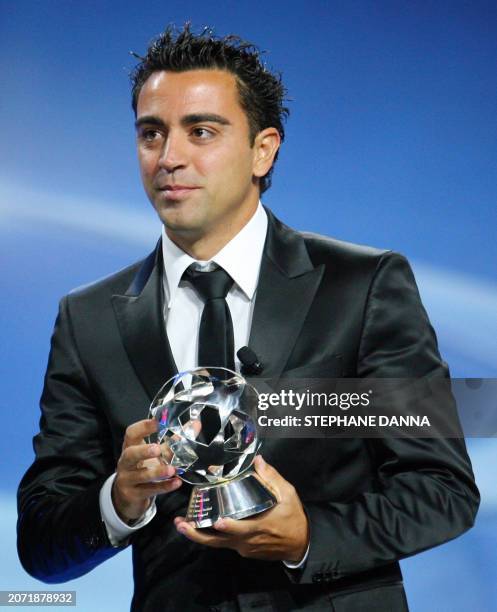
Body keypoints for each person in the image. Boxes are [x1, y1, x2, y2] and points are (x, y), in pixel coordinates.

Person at [17, 25, 479, 611]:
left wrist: (307, 537)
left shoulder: (363, 286)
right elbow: (40, 541)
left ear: (263, 149)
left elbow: (444, 491)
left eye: (201, 131)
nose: (169, 157)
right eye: (151, 133)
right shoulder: (86, 319)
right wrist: (120, 498)